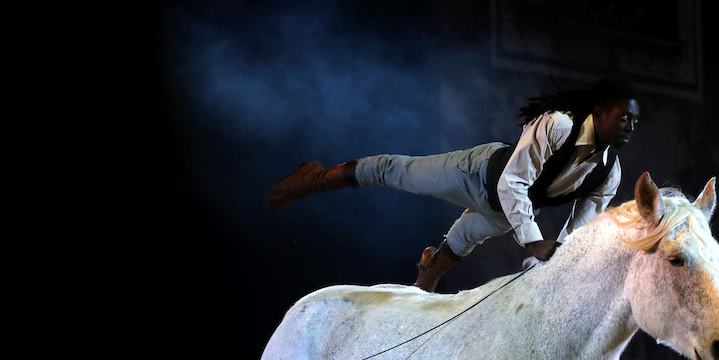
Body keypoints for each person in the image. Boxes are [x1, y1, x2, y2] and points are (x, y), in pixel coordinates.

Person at [264, 77, 642, 291]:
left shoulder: (610, 170)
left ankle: (421, 288)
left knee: (463, 238)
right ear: (600, 113)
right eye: (624, 117)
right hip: (477, 174)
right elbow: (513, 181)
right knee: (396, 170)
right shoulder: (559, 124)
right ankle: (311, 179)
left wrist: (563, 253)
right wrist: (533, 240)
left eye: (635, 122)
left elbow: (582, 224)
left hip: (508, 210)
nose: (630, 126)